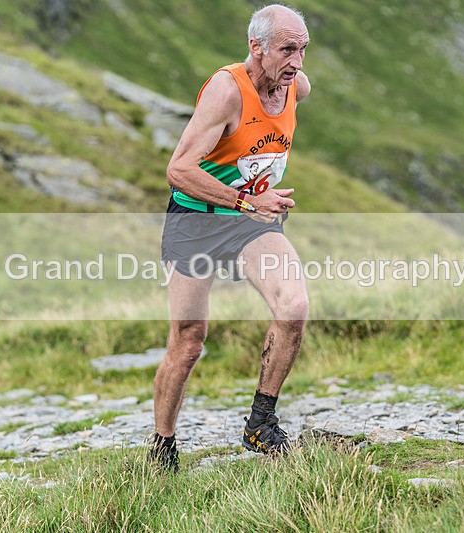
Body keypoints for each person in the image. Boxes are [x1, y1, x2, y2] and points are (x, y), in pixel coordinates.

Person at [150, 4, 311, 471]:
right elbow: (178, 171)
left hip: (248, 221)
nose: (297, 61)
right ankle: (163, 447)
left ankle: (261, 424)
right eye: (287, 49)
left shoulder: (295, 86)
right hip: (196, 219)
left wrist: (254, 201)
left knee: (294, 305)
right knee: (188, 340)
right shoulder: (226, 91)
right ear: (255, 48)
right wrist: (246, 199)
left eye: (302, 49)